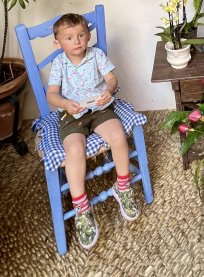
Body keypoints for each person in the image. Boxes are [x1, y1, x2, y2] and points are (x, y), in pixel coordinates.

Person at [46, 13, 139, 250]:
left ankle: (123, 186)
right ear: (58, 44)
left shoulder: (96, 55)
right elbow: (52, 95)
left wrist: (108, 90)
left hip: (98, 107)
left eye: (80, 35)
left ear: (88, 36)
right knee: (74, 149)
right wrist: (66, 104)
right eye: (68, 38)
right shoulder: (59, 64)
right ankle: (81, 207)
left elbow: (112, 79)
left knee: (118, 135)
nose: (76, 41)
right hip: (72, 113)